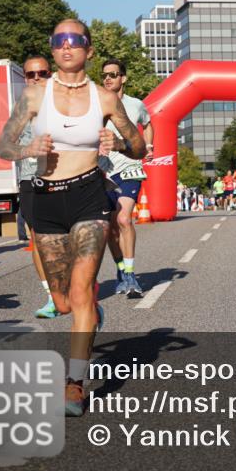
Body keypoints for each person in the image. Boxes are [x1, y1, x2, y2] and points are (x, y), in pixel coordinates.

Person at [0, 19, 146, 416]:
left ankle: (74, 384)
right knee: (62, 301)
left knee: (81, 291)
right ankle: (89, 314)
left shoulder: (105, 99)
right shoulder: (33, 96)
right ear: (53, 47)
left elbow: (140, 147)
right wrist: (29, 151)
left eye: (75, 41)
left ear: (88, 50)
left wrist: (120, 143)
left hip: (88, 197)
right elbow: (3, 145)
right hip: (45, 201)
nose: (66, 47)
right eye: (59, 41)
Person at [99, 58, 153, 298]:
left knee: (123, 219)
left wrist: (149, 145)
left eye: (113, 74)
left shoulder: (136, 104)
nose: (108, 78)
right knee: (109, 228)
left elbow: (148, 123)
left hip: (130, 167)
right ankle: (121, 269)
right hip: (104, 170)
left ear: (123, 78)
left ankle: (130, 275)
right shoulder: (97, 105)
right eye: (105, 75)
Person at [16, 54, 58, 318]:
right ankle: (51, 296)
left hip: (61, 177)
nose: (36, 78)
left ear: (50, 74)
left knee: (65, 238)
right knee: (37, 238)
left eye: (41, 73)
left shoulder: (64, 104)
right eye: (31, 74)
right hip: (29, 179)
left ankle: (80, 287)